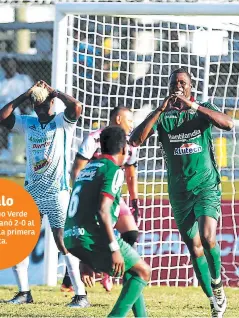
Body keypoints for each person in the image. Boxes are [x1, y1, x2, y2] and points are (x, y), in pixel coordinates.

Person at [129, 68, 234, 318]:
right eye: (174, 83)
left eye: (183, 83)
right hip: (179, 192)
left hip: (206, 185)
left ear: (190, 87)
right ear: (168, 87)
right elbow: (135, 140)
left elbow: (229, 124)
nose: (178, 86)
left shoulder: (202, 109)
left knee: (208, 237)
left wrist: (193, 105)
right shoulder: (162, 117)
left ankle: (218, 285)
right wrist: (159, 110)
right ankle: (213, 300)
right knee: (194, 247)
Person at [0, 81, 89, 307]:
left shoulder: (62, 122)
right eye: (35, 103)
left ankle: (80, 295)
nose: (39, 107)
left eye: (43, 103)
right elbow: (3, 116)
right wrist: (25, 95)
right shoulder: (27, 123)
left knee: (62, 240)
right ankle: (24, 293)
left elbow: (77, 107)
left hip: (56, 191)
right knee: (20, 240)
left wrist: (54, 92)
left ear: (52, 102)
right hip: (32, 191)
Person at [64, 125, 150, 317]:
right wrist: (114, 248)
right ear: (124, 150)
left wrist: (83, 259)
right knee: (144, 271)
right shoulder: (114, 170)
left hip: (71, 237)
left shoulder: (87, 169)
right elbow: (103, 211)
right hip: (93, 236)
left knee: (133, 271)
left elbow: (80, 211)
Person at [61, 106, 140, 293]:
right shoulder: (93, 138)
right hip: (94, 192)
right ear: (118, 119)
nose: (132, 125)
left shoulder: (129, 145)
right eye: (129, 121)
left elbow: (130, 174)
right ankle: (70, 279)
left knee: (131, 233)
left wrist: (134, 199)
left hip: (111, 192)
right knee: (88, 232)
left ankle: (109, 271)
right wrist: (84, 192)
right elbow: (77, 169)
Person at [0, 57, 34, 161]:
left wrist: (23, 106)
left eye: (12, 65)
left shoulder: (23, 79)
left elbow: (31, 96)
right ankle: (4, 151)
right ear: (3, 67)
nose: (11, 68)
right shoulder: (1, 81)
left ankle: (26, 152)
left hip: (22, 109)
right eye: (7, 65)